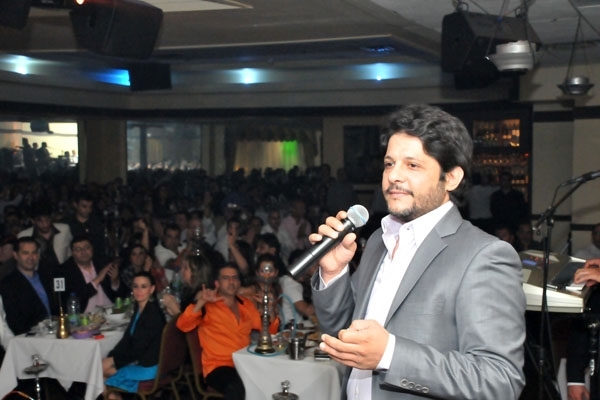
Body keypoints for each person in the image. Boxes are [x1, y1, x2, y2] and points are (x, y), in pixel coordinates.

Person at [310, 104, 526, 399]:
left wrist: (390, 355)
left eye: (412, 165)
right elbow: (343, 335)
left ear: (451, 178)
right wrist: (333, 273)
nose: (394, 176)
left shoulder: (485, 255)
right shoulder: (379, 240)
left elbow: (500, 380)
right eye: (389, 164)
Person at [176, 262, 279, 400]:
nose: (231, 282)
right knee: (237, 387)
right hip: (218, 366)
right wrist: (201, 302)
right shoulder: (208, 305)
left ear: (239, 282)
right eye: (226, 278)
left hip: (245, 362)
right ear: (217, 283)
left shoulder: (246, 304)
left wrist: (270, 308)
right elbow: (183, 325)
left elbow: (269, 333)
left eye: (235, 278)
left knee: (274, 378)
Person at [102, 271, 166, 399]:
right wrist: (112, 357)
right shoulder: (140, 308)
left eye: (143, 286)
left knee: (100, 373)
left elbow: (138, 349)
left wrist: (115, 361)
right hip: (142, 360)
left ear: (152, 289)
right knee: (101, 367)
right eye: (135, 286)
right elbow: (127, 339)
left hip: (148, 367)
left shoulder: (152, 314)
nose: (138, 290)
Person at [0, 237, 58, 335]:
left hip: (54, 332)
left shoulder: (46, 277)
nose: (31, 257)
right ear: (15, 255)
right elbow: (14, 321)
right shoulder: (8, 284)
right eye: (25, 253)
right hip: (29, 337)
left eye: (34, 253)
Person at [58, 236, 129, 313]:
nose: (83, 252)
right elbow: (74, 298)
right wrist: (98, 279)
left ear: (92, 249)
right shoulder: (65, 271)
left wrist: (115, 281)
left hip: (110, 311)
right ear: (72, 253)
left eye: (87, 248)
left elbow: (123, 294)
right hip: (85, 316)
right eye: (78, 249)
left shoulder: (102, 263)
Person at [161, 253, 213, 317]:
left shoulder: (202, 294)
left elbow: (191, 321)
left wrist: (174, 308)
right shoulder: (187, 289)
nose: (181, 270)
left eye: (185, 268)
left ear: (195, 272)